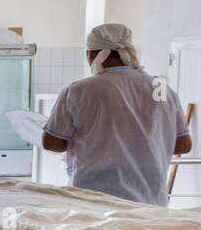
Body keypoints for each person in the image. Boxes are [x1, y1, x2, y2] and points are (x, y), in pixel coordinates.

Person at [41, 23, 192, 206]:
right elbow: (183, 145)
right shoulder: (161, 89)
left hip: (94, 198)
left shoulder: (79, 90)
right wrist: (144, 144)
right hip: (150, 201)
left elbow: (51, 143)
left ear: (92, 54)